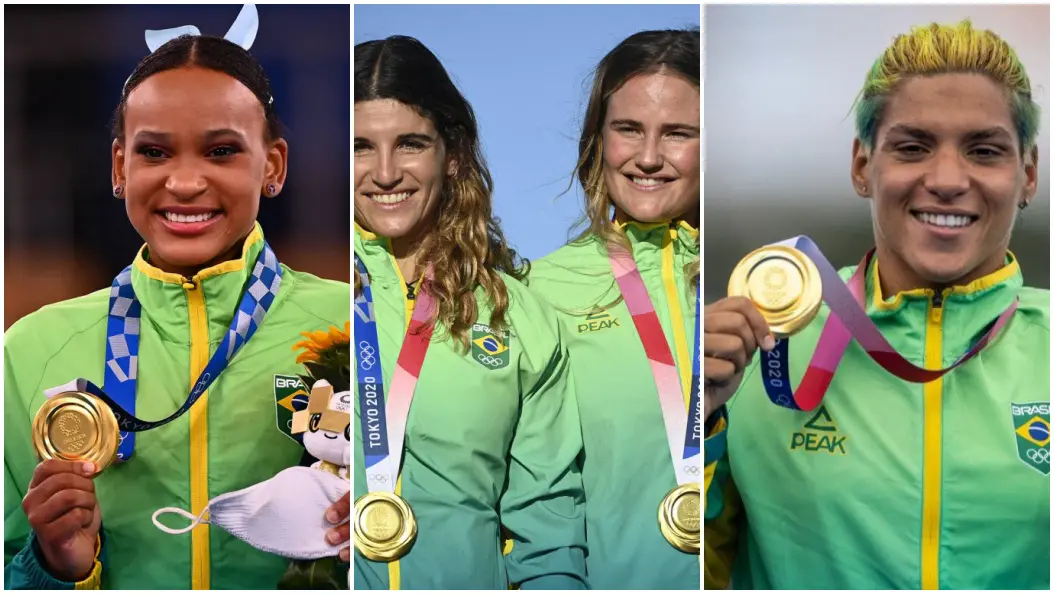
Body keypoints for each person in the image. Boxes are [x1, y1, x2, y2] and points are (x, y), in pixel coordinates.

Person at [3, 9, 351, 590]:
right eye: (155, 153)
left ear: (273, 165)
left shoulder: (353, 327)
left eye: (220, 151)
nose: (185, 182)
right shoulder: (31, 349)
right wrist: (57, 565)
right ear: (120, 166)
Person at [703, 20, 1049, 589]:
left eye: (984, 151)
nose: (946, 179)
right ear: (864, 166)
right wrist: (700, 420)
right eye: (912, 147)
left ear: (1027, 174)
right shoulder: (765, 342)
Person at [352, 35, 587, 590]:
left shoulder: (520, 316)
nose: (385, 173)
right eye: (360, 145)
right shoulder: (306, 293)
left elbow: (547, 529)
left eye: (410, 144)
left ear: (452, 153)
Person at [527, 29, 701, 590]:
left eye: (678, 133)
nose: (648, 157)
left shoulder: (762, 277)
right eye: (628, 129)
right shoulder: (540, 289)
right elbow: (539, 496)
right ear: (597, 140)